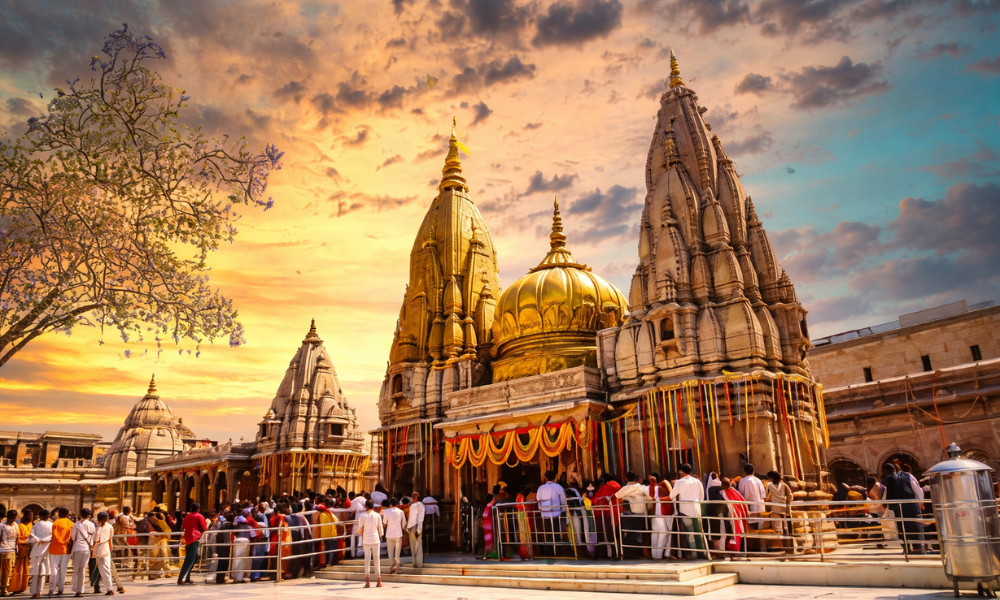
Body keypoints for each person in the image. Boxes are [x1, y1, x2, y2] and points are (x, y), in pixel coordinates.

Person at [881, 462, 923, 554]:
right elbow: (917, 489)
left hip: (898, 508)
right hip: (911, 506)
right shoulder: (908, 476)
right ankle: (918, 549)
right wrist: (920, 502)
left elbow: (885, 498)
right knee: (915, 527)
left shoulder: (889, 480)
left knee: (902, 529)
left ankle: (906, 549)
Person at [669, 463, 706, 558]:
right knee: (698, 532)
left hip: (685, 510)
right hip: (697, 509)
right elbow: (702, 497)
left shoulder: (679, 482)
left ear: (682, 472)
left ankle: (694, 554)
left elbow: (671, 496)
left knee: (690, 532)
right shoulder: (697, 482)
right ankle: (701, 553)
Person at [614, 471, 651, 557]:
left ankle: (641, 552)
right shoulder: (641, 487)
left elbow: (616, 496)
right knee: (638, 536)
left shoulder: (626, 488)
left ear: (626, 478)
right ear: (635, 478)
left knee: (630, 537)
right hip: (644, 514)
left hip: (633, 515)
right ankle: (641, 552)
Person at [536, 471, 567, 556]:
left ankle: (550, 550)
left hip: (545, 513)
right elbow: (563, 501)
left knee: (548, 532)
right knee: (556, 531)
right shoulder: (559, 487)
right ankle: (557, 549)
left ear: (545, 478)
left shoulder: (541, 488)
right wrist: (564, 511)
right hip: (556, 513)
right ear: (554, 478)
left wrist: (541, 509)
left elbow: (538, 500)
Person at [737, 464, 766, 548]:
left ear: (744, 472)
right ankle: (760, 547)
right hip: (760, 506)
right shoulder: (758, 480)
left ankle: (751, 548)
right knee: (759, 527)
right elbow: (763, 495)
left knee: (749, 528)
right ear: (753, 471)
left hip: (749, 507)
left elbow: (741, 495)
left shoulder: (743, 481)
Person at [70, 508, 96, 598]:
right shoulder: (91, 524)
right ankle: (81, 590)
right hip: (87, 549)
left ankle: (76, 589)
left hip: (77, 548)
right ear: (89, 514)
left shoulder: (76, 525)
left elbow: (73, 537)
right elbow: (93, 537)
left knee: (76, 570)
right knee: (83, 569)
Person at [765, 471, 793, 554]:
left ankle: (777, 547)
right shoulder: (784, 485)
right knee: (785, 528)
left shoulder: (769, 485)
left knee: (777, 527)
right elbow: (790, 496)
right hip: (784, 508)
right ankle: (788, 547)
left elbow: (766, 497)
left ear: (772, 478)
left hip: (775, 508)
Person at [178, 503, 206, 585]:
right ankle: (181, 579)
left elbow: (183, 527)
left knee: (195, 556)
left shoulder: (187, 516)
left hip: (188, 537)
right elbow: (203, 528)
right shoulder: (199, 516)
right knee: (189, 559)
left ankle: (187, 577)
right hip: (195, 538)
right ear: (198, 509)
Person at [357, 500, 383, 588]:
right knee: (377, 560)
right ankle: (378, 580)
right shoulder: (377, 515)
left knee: (367, 560)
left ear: (366, 506)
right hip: (375, 539)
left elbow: (360, 528)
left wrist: (361, 534)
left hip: (366, 540)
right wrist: (381, 535)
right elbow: (380, 528)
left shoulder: (362, 515)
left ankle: (367, 581)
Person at [48, 507, 73, 596]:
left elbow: (52, 534)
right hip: (66, 549)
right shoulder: (71, 523)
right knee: (63, 570)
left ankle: (51, 588)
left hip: (54, 548)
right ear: (67, 514)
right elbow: (72, 537)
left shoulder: (55, 523)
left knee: (53, 569)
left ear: (59, 513)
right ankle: (61, 589)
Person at [719, 478, 748, 554]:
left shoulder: (723, 493)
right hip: (739, 516)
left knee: (734, 533)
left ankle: (735, 551)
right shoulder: (735, 492)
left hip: (732, 517)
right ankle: (741, 551)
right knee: (740, 533)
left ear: (722, 485)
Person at [28, 509, 52, 599]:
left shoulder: (36, 524)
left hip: (37, 549)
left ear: (40, 516)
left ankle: (34, 592)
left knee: (35, 572)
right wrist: (46, 541)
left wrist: (39, 540)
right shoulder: (51, 525)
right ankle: (39, 591)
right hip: (47, 550)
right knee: (43, 572)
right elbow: (53, 536)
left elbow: (32, 536)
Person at [92, 512, 115, 596]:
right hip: (107, 548)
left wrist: (92, 550)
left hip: (99, 549)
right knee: (106, 568)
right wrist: (110, 549)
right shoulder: (110, 527)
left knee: (103, 570)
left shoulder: (98, 528)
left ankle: (110, 588)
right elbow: (110, 539)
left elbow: (96, 540)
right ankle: (109, 587)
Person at [8, 508, 31, 594]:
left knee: (25, 570)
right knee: (17, 570)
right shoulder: (19, 526)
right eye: (29, 516)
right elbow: (17, 539)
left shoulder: (30, 525)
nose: (31, 518)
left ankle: (22, 587)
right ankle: (15, 587)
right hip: (19, 550)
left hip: (27, 551)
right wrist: (27, 541)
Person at [651, 477, 674, 560]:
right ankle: (660, 555)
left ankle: (655, 554)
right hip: (665, 512)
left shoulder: (655, 488)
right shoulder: (665, 482)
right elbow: (672, 495)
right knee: (664, 534)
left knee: (656, 534)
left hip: (657, 513)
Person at [382, 499, 405, 575]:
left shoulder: (386, 511)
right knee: (397, 552)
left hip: (389, 534)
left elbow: (384, 523)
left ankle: (391, 567)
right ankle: (397, 568)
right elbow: (404, 524)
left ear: (390, 504)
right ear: (397, 504)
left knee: (390, 552)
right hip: (398, 534)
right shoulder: (401, 512)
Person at [232, 508, 255, 582]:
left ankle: (234, 577)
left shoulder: (238, 524)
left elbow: (234, 532)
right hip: (244, 542)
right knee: (241, 560)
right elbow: (253, 535)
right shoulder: (249, 526)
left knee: (236, 559)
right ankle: (239, 578)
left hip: (237, 541)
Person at [1, 510, 18, 596]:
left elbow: (17, 538)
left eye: (14, 518)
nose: (13, 520)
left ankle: (5, 588)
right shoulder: (2, 526)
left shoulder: (15, 525)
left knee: (9, 571)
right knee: (2, 571)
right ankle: (2, 589)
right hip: (3, 550)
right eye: (11, 518)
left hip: (12, 550)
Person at [406, 493, 425, 568]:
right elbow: (421, 518)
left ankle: (414, 562)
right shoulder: (421, 505)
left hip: (412, 526)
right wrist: (419, 528)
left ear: (413, 498)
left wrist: (408, 528)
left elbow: (412, 518)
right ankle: (419, 562)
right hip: (418, 525)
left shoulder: (412, 506)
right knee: (419, 545)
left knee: (413, 545)